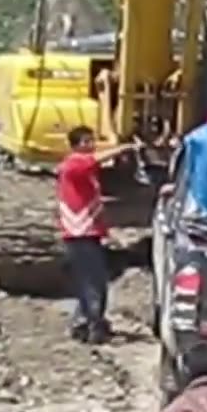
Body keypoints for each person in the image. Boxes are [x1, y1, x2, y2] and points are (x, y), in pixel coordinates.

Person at [57, 126, 135, 345]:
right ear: (76, 145)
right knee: (94, 282)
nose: (91, 146)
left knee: (90, 281)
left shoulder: (84, 170)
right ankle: (93, 327)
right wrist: (123, 148)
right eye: (86, 142)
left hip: (87, 232)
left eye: (92, 141)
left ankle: (83, 323)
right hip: (78, 233)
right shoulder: (73, 164)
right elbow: (92, 160)